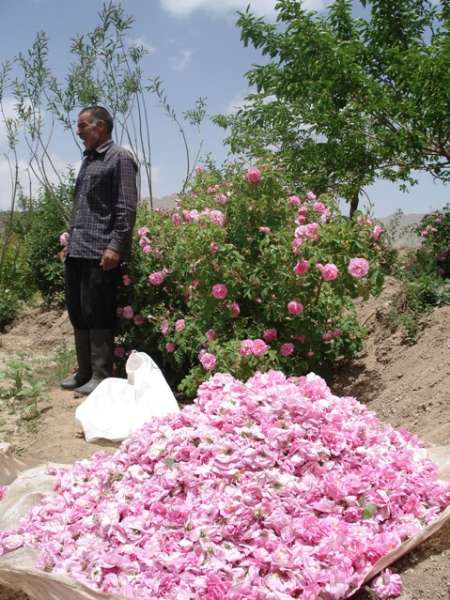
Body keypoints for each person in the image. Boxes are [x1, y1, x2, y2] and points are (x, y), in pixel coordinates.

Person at [61, 106, 138, 395]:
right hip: (78, 250)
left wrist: (115, 246)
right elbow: (83, 209)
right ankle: (84, 372)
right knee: (78, 311)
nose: (78, 131)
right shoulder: (88, 160)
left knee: (98, 312)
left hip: (101, 252)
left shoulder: (119, 158)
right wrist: (69, 243)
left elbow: (126, 207)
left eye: (82, 126)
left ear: (101, 126)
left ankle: (102, 376)